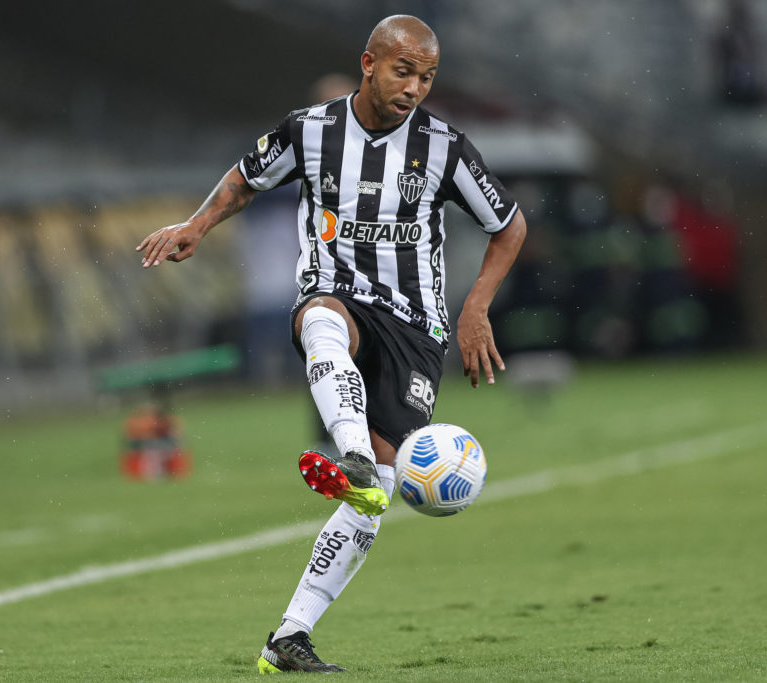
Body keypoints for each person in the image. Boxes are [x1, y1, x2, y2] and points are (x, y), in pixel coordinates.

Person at [135, 14, 526, 674]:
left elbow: (509, 224)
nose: (414, 88)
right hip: (337, 293)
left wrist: (476, 306)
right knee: (321, 316)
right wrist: (199, 223)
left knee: (387, 484)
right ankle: (351, 454)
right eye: (403, 71)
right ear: (369, 63)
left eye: (427, 77)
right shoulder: (309, 130)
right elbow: (244, 176)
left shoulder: (445, 147)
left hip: (415, 323)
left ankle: (288, 635)